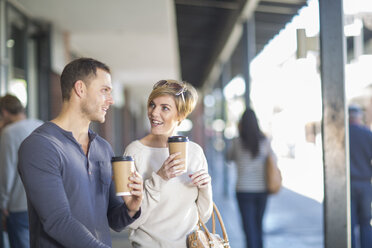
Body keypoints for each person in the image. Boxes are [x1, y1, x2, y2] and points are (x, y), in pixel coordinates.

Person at [18, 58, 143, 248]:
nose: (111, 100)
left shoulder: (103, 148)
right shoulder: (40, 146)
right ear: (80, 89)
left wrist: (131, 208)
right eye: (104, 91)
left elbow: (114, 220)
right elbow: (57, 221)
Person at [123, 79, 213, 247]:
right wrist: (160, 177)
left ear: (180, 115)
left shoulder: (194, 152)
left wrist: (206, 189)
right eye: (152, 105)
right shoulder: (135, 152)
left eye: (164, 108)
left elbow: (203, 216)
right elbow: (131, 221)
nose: (154, 113)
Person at [0, 94, 43, 248]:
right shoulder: (41, 125)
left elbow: (7, 171)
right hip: (43, 202)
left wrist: (3, 203)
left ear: (4, 113)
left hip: (18, 205)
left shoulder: (9, 132)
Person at [226, 108, 274, 248]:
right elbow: (273, 160)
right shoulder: (264, 141)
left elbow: (228, 158)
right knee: (258, 227)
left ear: (241, 124)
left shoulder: (237, 142)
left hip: (244, 190)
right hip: (262, 190)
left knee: (249, 229)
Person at [348, 105, 372, 248]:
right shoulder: (367, 134)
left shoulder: (342, 134)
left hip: (347, 184)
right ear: (359, 117)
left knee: (349, 224)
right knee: (365, 222)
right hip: (364, 184)